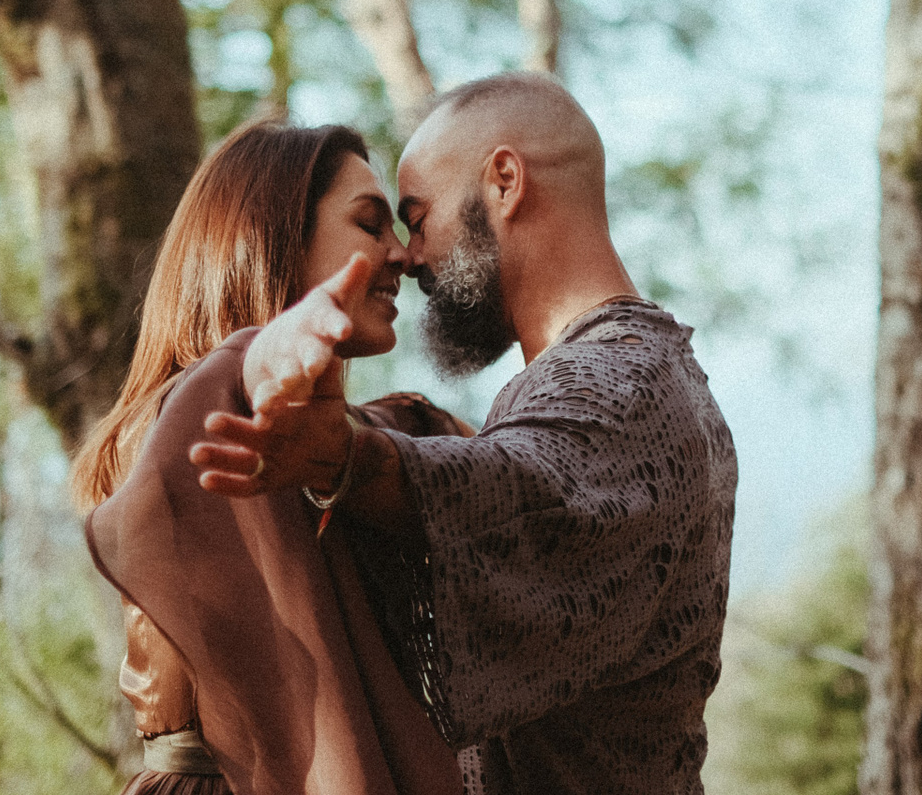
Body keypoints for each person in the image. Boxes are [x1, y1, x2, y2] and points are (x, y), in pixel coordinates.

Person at [191, 73, 738, 795]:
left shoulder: (619, 378)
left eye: (417, 219)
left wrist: (346, 458)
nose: (409, 256)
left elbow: (524, 488)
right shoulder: (642, 369)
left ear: (505, 181)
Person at [76, 121, 470, 795]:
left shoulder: (346, 440)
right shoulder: (194, 416)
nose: (402, 256)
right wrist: (256, 355)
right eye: (369, 224)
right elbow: (210, 413)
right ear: (274, 240)